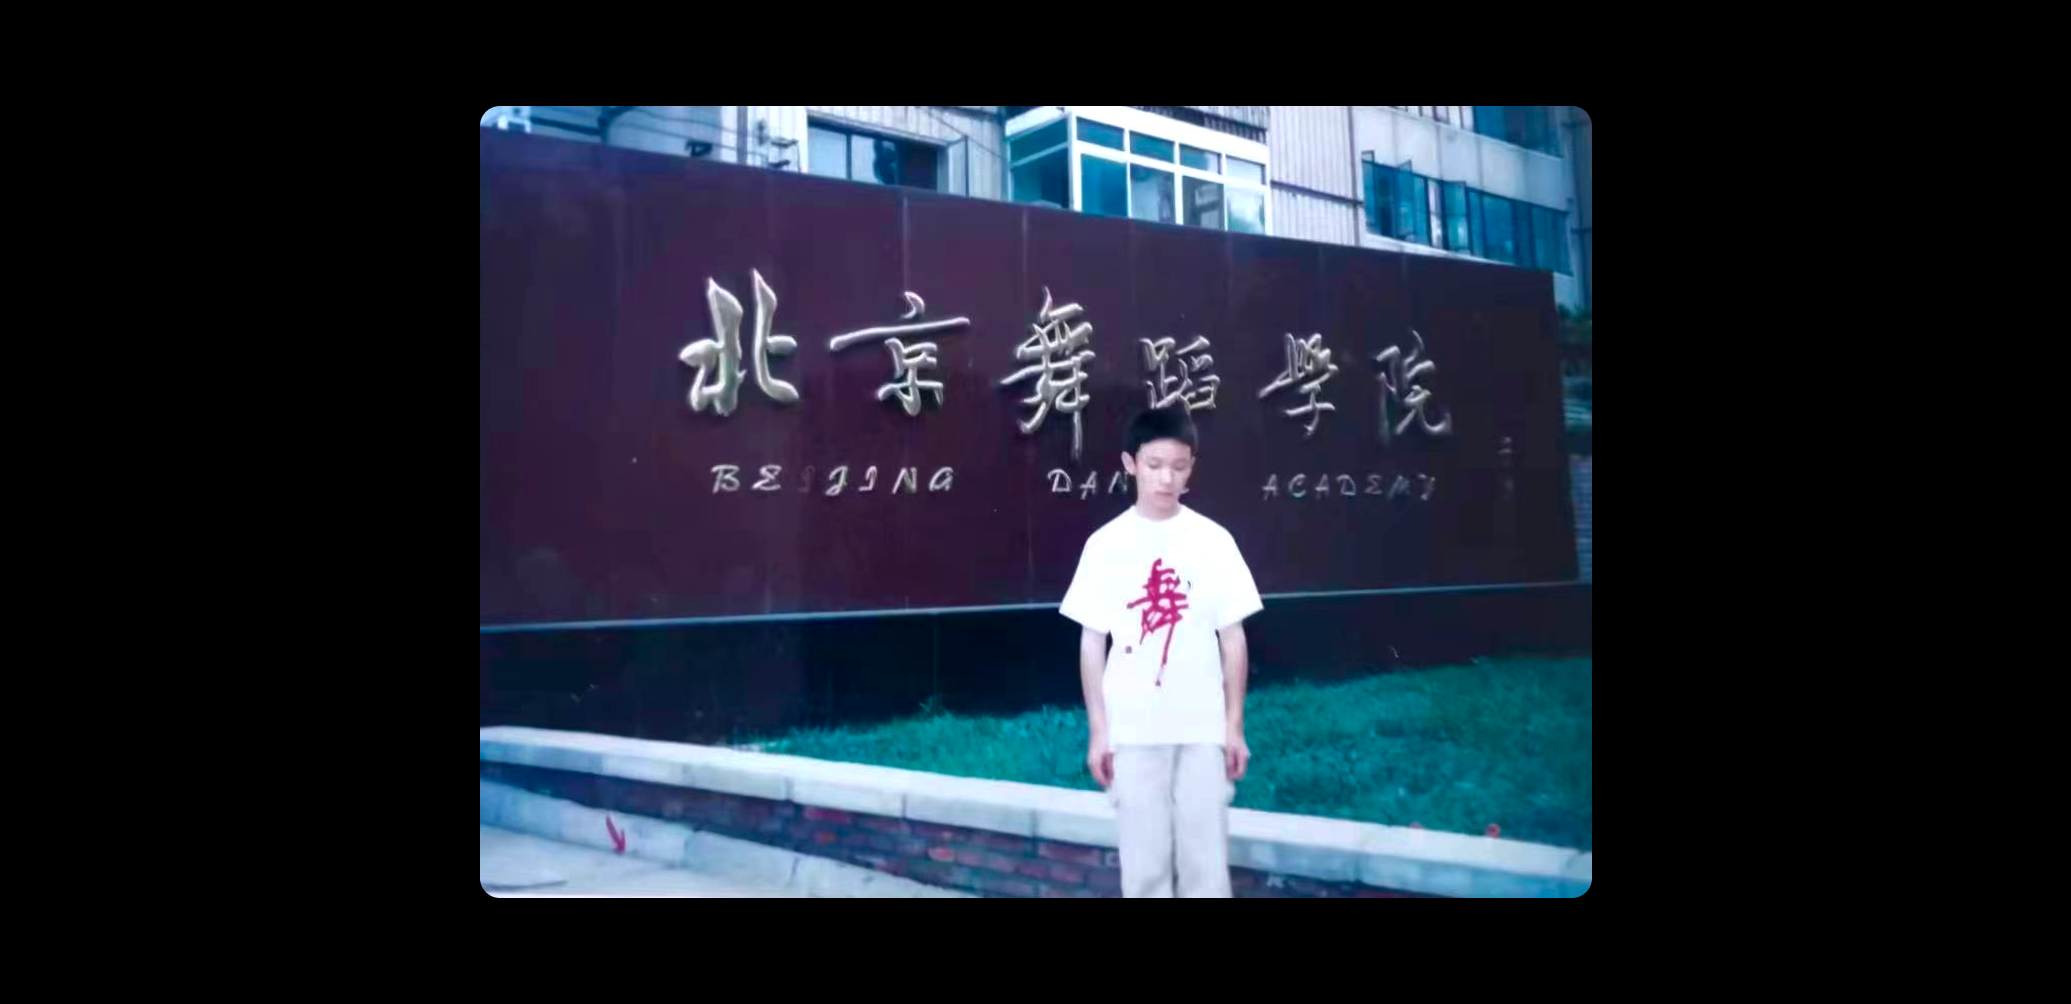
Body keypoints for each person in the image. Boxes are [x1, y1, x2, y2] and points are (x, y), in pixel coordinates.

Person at [1059, 405, 1263, 898]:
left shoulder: (1214, 541)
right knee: (1144, 864)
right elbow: (1092, 642)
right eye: (1154, 465)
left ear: (1191, 465)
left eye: (1178, 465)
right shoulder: (1105, 545)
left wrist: (1233, 727)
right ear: (1130, 463)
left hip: (1200, 727)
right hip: (1133, 728)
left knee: (1206, 863)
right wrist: (1099, 731)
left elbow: (1232, 639)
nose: (1166, 478)